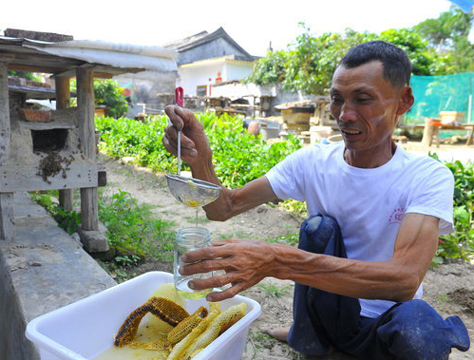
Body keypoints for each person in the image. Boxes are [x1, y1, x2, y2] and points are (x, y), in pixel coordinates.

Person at [162, 41, 470, 360]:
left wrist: (277, 260)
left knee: (419, 326)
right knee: (319, 230)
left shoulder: (426, 176)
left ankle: (331, 343)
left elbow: (404, 280)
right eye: (337, 99)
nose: (345, 115)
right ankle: (309, 334)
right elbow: (223, 208)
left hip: (386, 324)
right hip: (330, 311)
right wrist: (201, 159)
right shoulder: (313, 162)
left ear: (403, 100)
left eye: (363, 100)